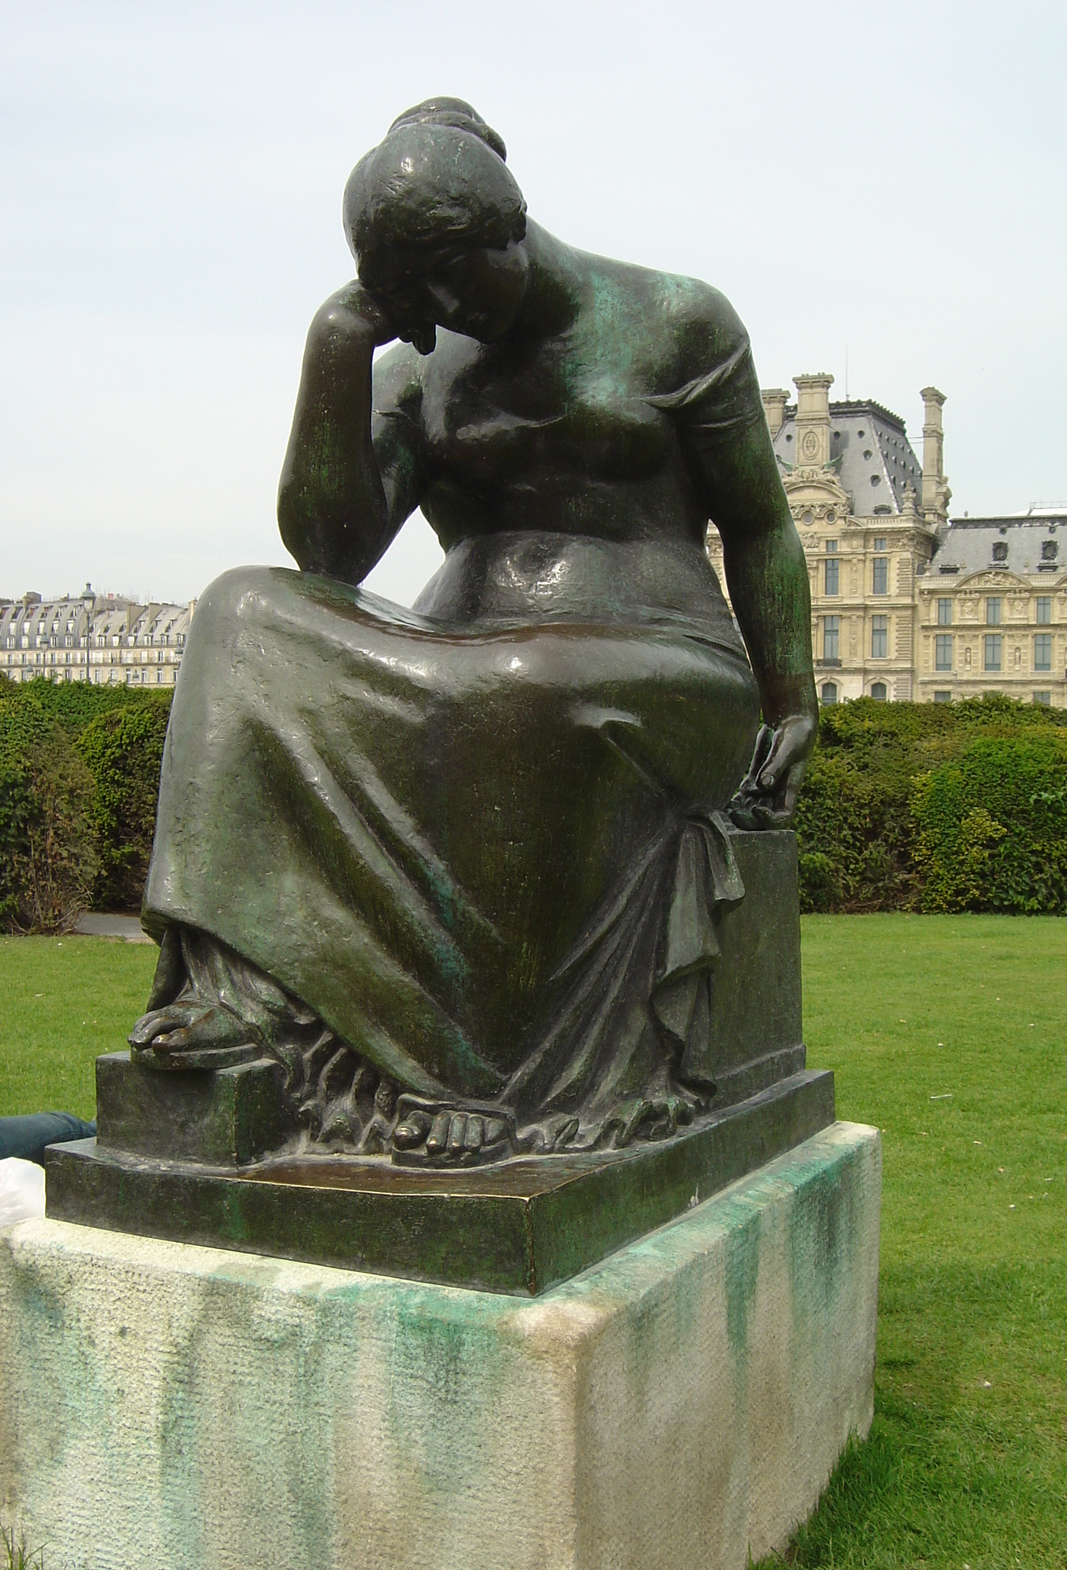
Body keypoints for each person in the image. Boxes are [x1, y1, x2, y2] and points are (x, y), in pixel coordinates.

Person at [129, 99, 817, 1164]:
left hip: (667, 662)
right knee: (238, 609)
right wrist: (336, 349)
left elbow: (762, 526)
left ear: (512, 225)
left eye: (455, 274)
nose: (443, 307)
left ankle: (462, 1061)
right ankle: (246, 995)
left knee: (523, 682)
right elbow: (328, 555)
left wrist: (793, 699)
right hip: (476, 661)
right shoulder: (416, 358)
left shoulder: (676, 318)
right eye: (412, 291)